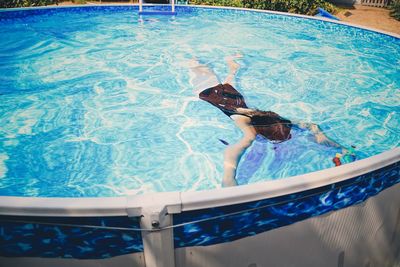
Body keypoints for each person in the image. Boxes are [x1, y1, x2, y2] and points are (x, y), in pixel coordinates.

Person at [189, 55, 345, 187]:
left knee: (223, 81)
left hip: (234, 96)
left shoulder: (278, 119)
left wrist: (322, 136)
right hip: (208, 93)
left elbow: (311, 125)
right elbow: (232, 152)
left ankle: (231, 66)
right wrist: (229, 178)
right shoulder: (249, 130)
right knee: (195, 66)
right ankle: (195, 58)